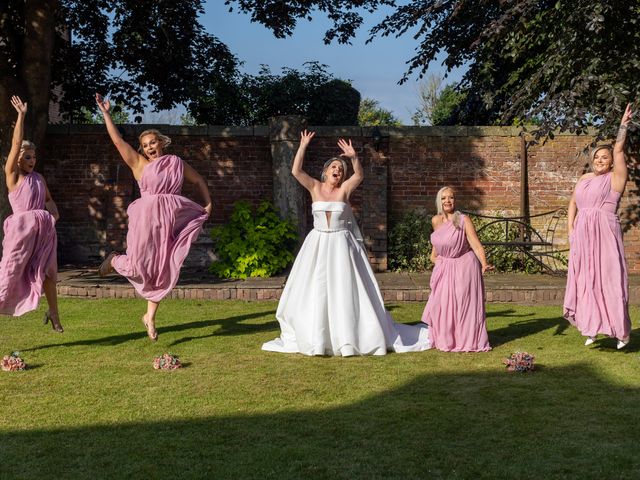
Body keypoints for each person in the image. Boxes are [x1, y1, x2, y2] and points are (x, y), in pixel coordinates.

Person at [262, 130, 430, 356]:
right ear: (325, 172)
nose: (338, 171)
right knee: (316, 289)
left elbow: (359, 176)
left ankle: (348, 337)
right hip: (318, 244)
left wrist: (353, 157)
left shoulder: (344, 190)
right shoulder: (314, 187)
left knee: (344, 288)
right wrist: (302, 146)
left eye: (341, 170)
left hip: (342, 244)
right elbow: (295, 171)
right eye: (334, 167)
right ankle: (318, 338)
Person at [95, 93, 211, 341]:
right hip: (145, 221)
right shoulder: (139, 164)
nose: (149, 147)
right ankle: (115, 260)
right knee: (138, 266)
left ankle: (150, 318)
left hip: (167, 221)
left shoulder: (176, 163)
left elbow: (199, 179)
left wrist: (208, 203)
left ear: (162, 142)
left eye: (152, 142)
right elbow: (117, 141)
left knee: (162, 269)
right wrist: (106, 112)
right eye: (145, 144)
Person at [564, 103, 634, 349]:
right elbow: (572, 203)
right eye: (596, 157)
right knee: (586, 280)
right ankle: (591, 325)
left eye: (604, 157)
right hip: (583, 234)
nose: (600, 160)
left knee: (610, 279)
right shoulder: (584, 178)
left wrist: (623, 125)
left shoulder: (616, 177)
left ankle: (621, 332)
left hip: (605, 232)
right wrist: (571, 229)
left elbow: (618, 149)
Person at [0, 96, 63, 332]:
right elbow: (16, 144)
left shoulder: (39, 179)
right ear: (17, 159)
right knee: (10, 272)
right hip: (20, 233)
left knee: (47, 272)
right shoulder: (13, 177)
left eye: (34, 157)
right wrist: (21, 116)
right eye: (27, 157)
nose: (32, 160)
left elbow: (49, 201)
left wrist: (53, 218)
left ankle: (54, 313)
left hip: (43, 232)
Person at [421, 186, 492, 352]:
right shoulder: (435, 221)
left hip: (465, 267)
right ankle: (446, 340)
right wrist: (438, 261)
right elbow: (435, 250)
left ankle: (468, 341)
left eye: (451, 197)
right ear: (439, 201)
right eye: (444, 198)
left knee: (464, 306)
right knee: (443, 305)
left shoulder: (463, 220)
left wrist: (484, 262)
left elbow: (475, 244)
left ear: (455, 200)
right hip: (445, 269)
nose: (447, 201)